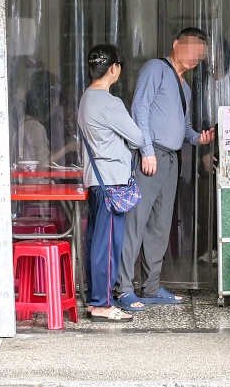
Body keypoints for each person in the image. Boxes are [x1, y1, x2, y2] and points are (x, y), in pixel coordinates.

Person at [116, 28, 215, 310]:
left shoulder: (183, 86)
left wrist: (199, 138)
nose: (195, 57)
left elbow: (183, 129)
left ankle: (151, 286)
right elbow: (140, 110)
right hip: (152, 157)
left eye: (200, 54)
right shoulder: (155, 68)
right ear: (175, 44)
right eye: (191, 49)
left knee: (160, 226)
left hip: (170, 159)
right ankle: (123, 289)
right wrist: (146, 151)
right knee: (136, 223)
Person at [77, 44, 145, 322]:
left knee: (96, 240)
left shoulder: (86, 99)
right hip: (112, 183)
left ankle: (97, 299)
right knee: (107, 245)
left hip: (96, 181)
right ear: (114, 68)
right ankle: (102, 304)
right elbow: (138, 138)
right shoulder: (110, 102)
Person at [20, 70, 77, 165]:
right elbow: (41, 165)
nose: (56, 105)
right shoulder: (35, 128)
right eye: (53, 99)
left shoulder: (27, 122)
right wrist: (68, 148)